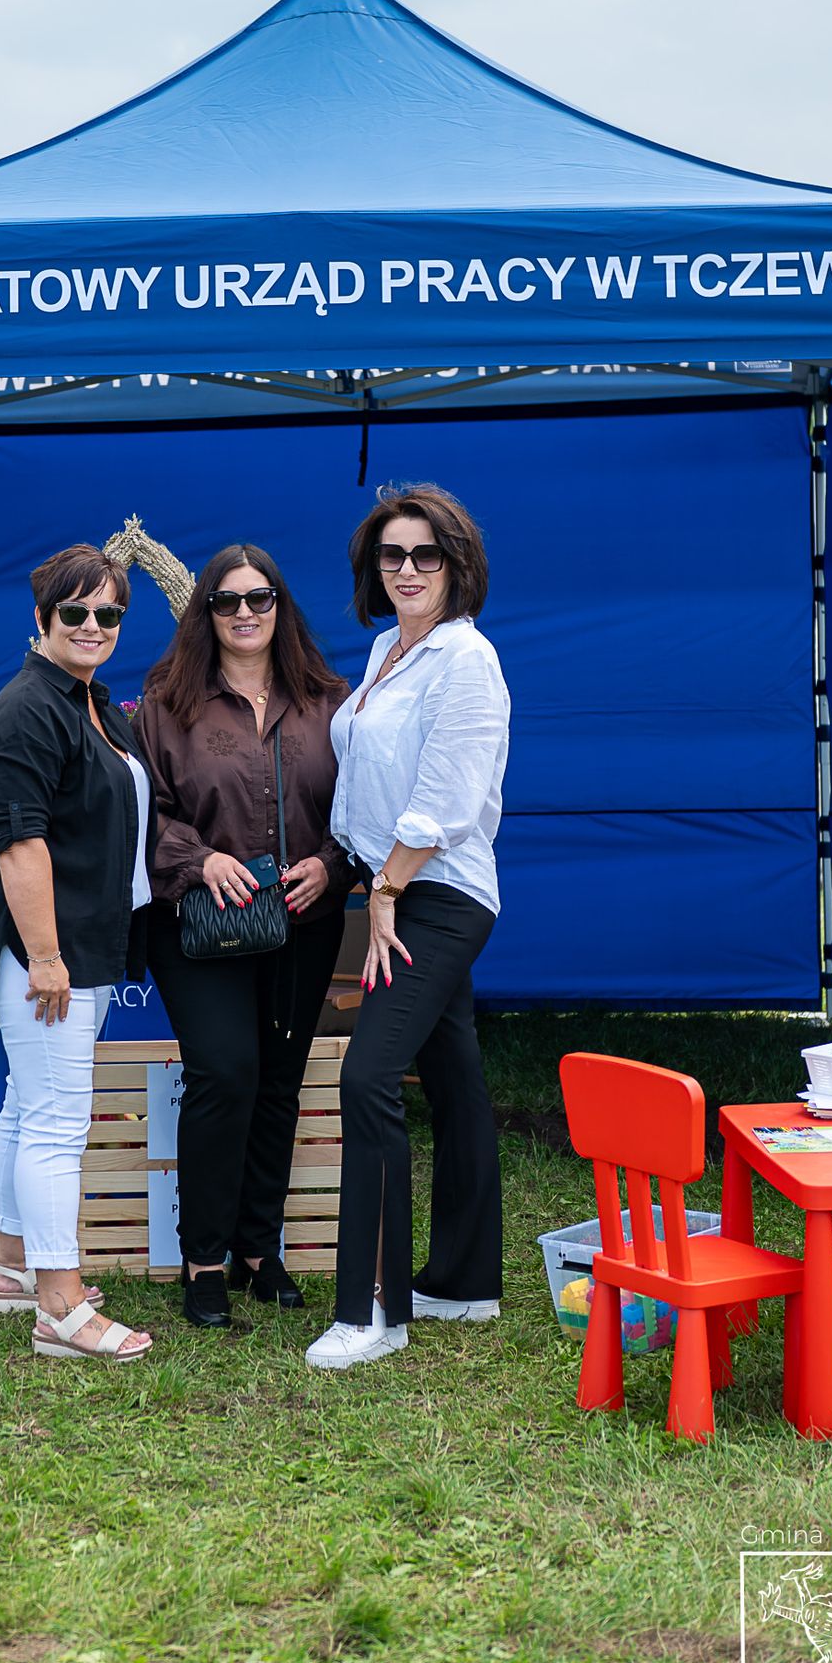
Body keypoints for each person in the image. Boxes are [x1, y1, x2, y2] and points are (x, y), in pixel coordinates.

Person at [305, 483, 511, 1372]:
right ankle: (464, 1283)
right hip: (389, 882)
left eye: (427, 553)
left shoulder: (466, 659)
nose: (409, 569)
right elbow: (365, 781)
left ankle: (373, 1310)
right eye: (392, 554)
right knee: (455, 1077)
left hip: (436, 895)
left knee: (368, 1076)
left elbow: (447, 797)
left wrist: (386, 887)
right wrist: (344, 864)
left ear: (457, 564)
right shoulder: (388, 649)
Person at [134, 545, 351, 1327]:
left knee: (279, 1081)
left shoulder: (331, 702)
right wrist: (200, 859)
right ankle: (203, 1260)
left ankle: (259, 1250)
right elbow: (142, 812)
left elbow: (364, 806)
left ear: (281, 606)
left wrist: (332, 865)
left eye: (260, 598)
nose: (246, 613)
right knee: (225, 1072)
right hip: (200, 921)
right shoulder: (167, 702)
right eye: (228, 601)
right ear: (206, 612)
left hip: (303, 920)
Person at [0, 544, 154, 1362]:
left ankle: (14, 1270)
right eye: (75, 612)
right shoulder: (27, 709)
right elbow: (21, 844)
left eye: (108, 613)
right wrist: (45, 957)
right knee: (55, 1123)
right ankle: (60, 1307)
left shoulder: (88, 700)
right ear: (42, 618)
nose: (92, 625)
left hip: (82, 942)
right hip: (49, 953)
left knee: (27, 1105)